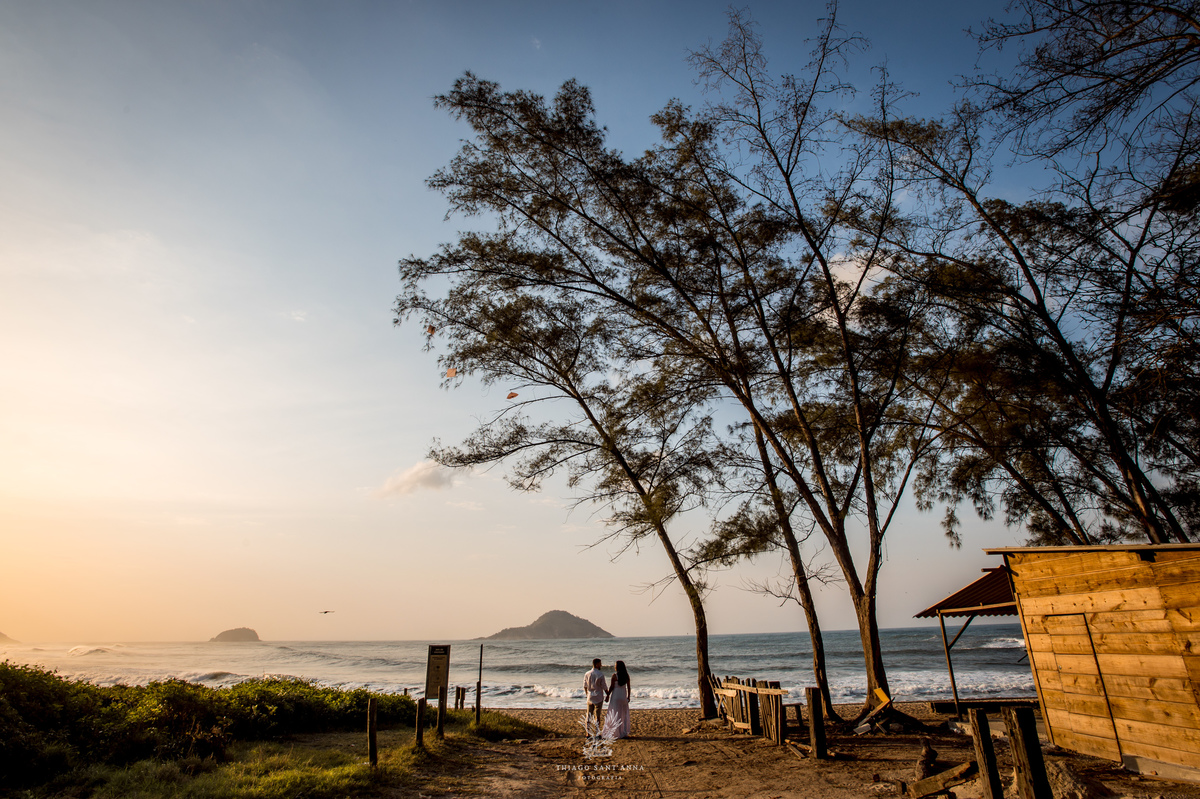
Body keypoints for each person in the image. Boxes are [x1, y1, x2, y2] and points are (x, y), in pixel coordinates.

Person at [602, 660, 631, 739]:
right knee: (623, 714)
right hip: (623, 695)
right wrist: (628, 696)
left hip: (616, 695)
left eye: (615, 665)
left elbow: (612, 687)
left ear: (617, 667)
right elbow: (628, 687)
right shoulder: (626, 675)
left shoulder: (615, 676)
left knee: (614, 713)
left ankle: (614, 732)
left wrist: (608, 695)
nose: (614, 666)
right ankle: (623, 732)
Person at [584, 658, 606, 733]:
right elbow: (604, 686)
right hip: (598, 696)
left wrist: (587, 694)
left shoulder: (587, 673)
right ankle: (596, 732)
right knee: (597, 716)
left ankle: (587, 732)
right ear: (597, 665)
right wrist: (608, 694)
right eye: (600, 664)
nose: (601, 665)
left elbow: (585, 686)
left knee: (588, 715)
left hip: (590, 696)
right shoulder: (600, 674)